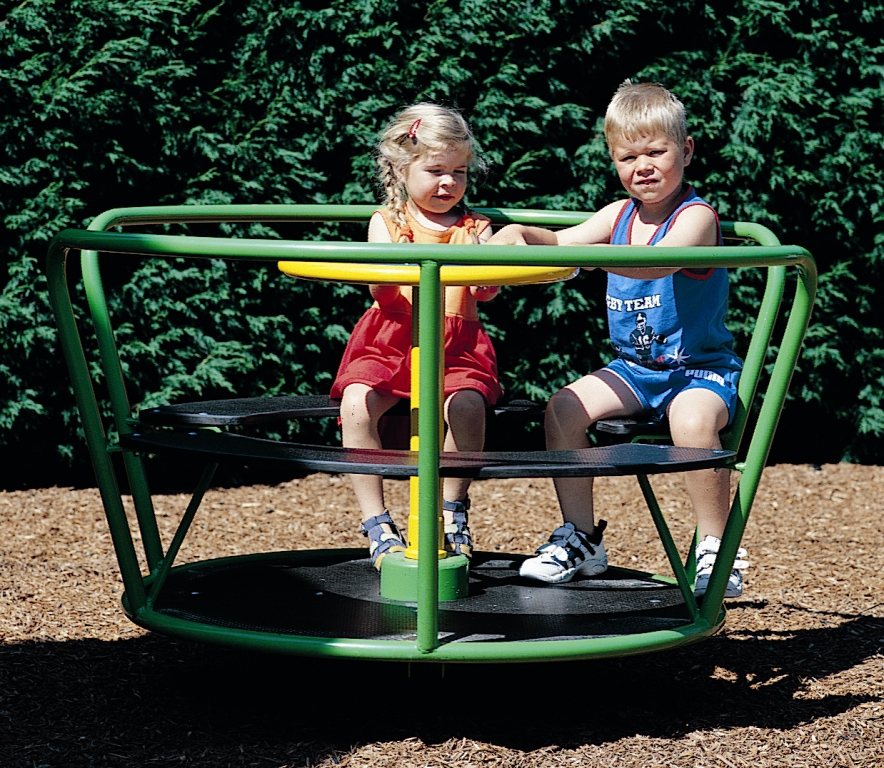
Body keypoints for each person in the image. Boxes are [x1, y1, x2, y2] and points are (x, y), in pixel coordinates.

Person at [489, 81, 748, 596]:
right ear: (613, 160)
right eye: (629, 156)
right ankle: (581, 539)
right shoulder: (617, 215)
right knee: (563, 408)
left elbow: (654, 264)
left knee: (691, 419)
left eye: (657, 151)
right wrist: (518, 233)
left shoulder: (695, 218)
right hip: (637, 371)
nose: (643, 166)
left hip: (699, 370)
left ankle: (717, 547)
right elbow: (560, 240)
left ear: (687, 150)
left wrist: (577, 256)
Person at [331, 102, 502, 571]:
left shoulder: (475, 228)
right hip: (390, 340)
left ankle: (451, 507)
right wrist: (395, 261)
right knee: (356, 402)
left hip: (456, 347)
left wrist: (483, 265)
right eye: (436, 171)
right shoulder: (388, 224)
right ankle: (376, 521)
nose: (449, 182)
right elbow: (376, 283)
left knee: (465, 406)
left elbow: (487, 290)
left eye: (459, 171)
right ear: (401, 168)